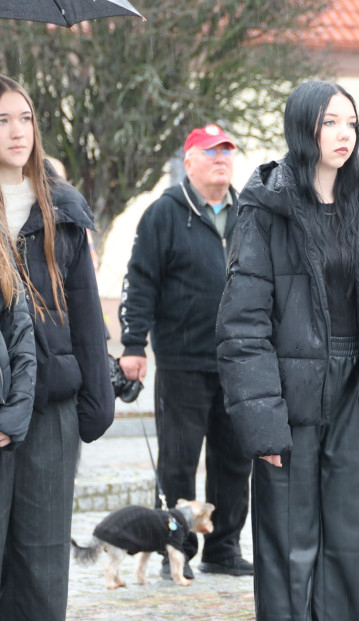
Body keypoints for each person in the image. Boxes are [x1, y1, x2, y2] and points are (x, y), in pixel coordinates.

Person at [216, 80, 359, 621]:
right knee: (288, 547)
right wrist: (263, 423)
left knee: (349, 544)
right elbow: (242, 325)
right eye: (330, 122)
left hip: (358, 392)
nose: (343, 134)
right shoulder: (266, 209)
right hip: (291, 397)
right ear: (304, 128)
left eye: (350, 124)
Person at [0, 75, 114, 621]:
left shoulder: (60, 205)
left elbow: (86, 313)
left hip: (51, 408)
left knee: (43, 558)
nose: (18, 132)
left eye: (25, 118)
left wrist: (95, 402)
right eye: (1, 120)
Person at [118, 124, 253, 580]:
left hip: (238, 361)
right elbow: (140, 283)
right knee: (178, 460)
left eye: (227, 151)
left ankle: (224, 548)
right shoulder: (164, 214)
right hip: (181, 361)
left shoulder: (248, 214)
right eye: (211, 151)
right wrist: (133, 345)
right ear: (189, 160)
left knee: (234, 460)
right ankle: (176, 550)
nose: (221, 159)